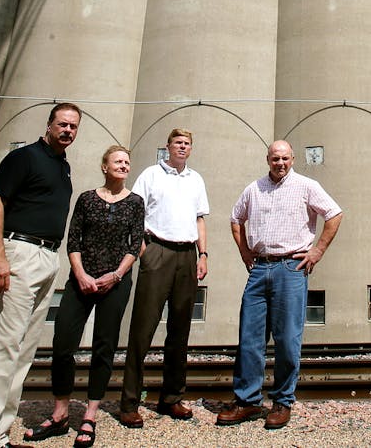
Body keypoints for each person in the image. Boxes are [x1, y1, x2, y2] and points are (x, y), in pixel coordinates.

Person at [0, 103, 81, 448]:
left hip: (47, 256)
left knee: (23, 351)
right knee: (1, 346)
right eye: (62, 124)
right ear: (49, 125)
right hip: (19, 252)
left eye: (73, 126)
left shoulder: (62, 166)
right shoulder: (24, 158)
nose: (68, 130)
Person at [215, 140, 342, 431]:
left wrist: (317, 251)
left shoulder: (307, 186)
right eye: (275, 158)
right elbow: (236, 219)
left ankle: (282, 401)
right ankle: (247, 401)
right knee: (250, 338)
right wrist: (244, 251)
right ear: (267, 159)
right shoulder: (253, 188)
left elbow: (334, 214)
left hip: (290, 268)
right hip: (260, 267)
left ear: (293, 159)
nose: (280, 163)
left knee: (286, 339)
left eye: (284, 158)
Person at [23, 145, 143, 448]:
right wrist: (80, 274)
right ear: (104, 166)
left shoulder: (135, 202)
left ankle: (90, 414)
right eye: (118, 161)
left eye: (127, 162)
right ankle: (61, 412)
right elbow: (73, 238)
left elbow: (136, 244)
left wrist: (115, 275)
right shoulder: (87, 199)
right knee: (63, 344)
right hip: (81, 280)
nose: (124, 165)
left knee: (104, 346)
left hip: (115, 282)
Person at [116, 128, 210, 428]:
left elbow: (200, 218)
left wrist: (203, 254)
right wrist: (145, 251)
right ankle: (129, 402)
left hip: (187, 255)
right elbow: (135, 213)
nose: (182, 147)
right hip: (157, 251)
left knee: (180, 331)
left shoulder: (195, 179)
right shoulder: (150, 175)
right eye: (177, 143)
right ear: (167, 147)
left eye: (187, 144)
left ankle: (171, 398)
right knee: (142, 330)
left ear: (191, 149)